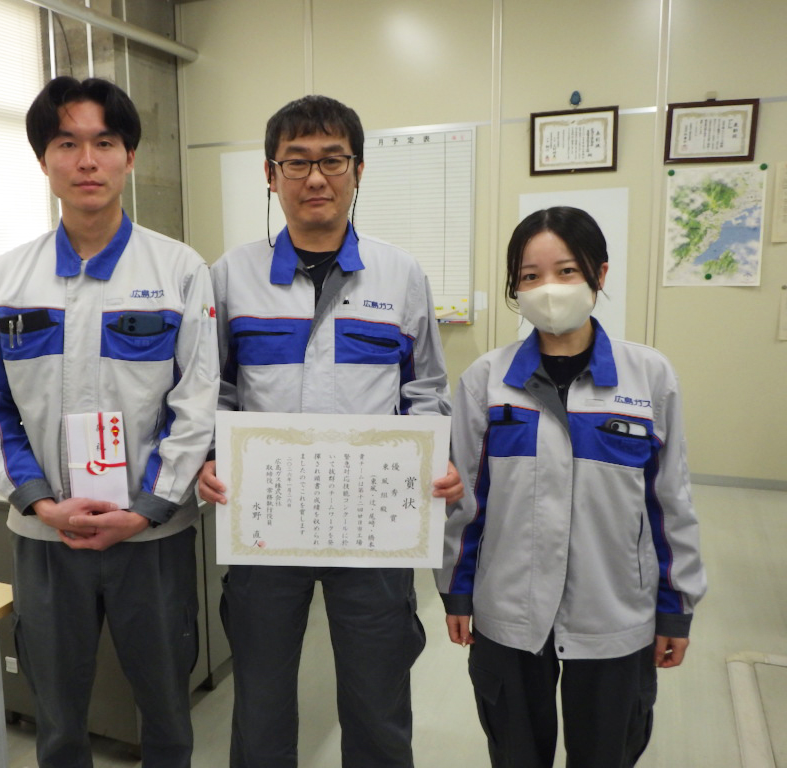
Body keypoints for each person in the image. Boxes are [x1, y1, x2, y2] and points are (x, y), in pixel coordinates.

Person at [198, 94, 463, 768]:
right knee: (260, 704)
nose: (315, 177)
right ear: (270, 174)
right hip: (265, 523)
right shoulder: (232, 277)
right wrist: (209, 457)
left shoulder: (400, 275)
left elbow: (425, 390)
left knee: (377, 703)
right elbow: (215, 390)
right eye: (297, 162)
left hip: (372, 529)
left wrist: (433, 458)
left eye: (332, 160)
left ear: (358, 170)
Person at [0, 76, 218, 768]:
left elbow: (195, 403)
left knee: (166, 708)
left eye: (104, 143)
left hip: (152, 536)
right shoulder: (3, 283)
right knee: (56, 714)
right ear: (43, 160)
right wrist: (41, 502)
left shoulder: (179, 271)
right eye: (66, 144)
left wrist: (145, 508)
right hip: (46, 536)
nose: (86, 161)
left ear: (129, 156)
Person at [436, 206, 707, 767]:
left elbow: (670, 503)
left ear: (599, 274)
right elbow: (466, 504)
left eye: (566, 271)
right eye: (530, 276)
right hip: (508, 609)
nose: (549, 289)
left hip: (614, 612)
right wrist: (456, 592)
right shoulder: (486, 381)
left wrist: (675, 607)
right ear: (515, 287)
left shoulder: (649, 378)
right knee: (515, 754)